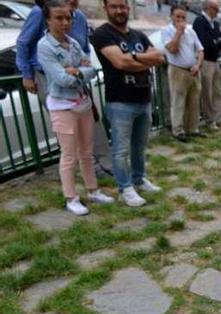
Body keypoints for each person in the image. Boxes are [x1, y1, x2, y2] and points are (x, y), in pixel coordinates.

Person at [37, 0, 115, 215]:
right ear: (48, 20)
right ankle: (71, 197)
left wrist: (77, 71)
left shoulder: (72, 42)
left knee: (87, 152)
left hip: (82, 103)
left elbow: (92, 69)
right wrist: (78, 72)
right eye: (59, 18)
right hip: (62, 106)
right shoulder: (45, 46)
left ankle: (93, 190)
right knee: (69, 155)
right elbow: (62, 79)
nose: (65, 22)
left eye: (68, 18)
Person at [18, 0, 113, 171]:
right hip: (49, 77)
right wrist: (26, 75)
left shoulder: (80, 17)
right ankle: (89, 167)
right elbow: (23, 43)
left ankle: (106, 163)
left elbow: (85, 48)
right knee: (68, 125)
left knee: (92, 118)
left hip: (78, 75)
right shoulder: (40, 13)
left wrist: (83, 70)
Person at [93, 0, 165, 207]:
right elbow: (119, 62)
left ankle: (139, 179)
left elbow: (159, 57)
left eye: (122, 6)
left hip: (143, 99)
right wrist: (141, 60)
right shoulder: (103, 34)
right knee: (120, 149)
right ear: (105, 8)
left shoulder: (138, 35)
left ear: (128, 7)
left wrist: (132, 57)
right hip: (120, 101)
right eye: (114, 6)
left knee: (139, 146)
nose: (119, 10)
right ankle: (125, 188)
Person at [162, 5, 204, 142]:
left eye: (183, 17)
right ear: (172, 16)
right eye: (178, 16)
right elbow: (172, 49)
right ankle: (178, 130)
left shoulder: (191, 32)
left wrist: (198, 65)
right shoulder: (166, 31)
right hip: (177, 70)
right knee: (178, 101)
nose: (180, 19)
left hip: (193, 70)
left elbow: (200, 50)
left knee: (194, 101)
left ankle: (193, 128)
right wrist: (178, 33)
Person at [192, 0, 221, 130]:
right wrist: (216, 42)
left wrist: (216, 41)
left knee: (217, 91)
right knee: (207, 92)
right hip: (205, 61)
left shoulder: (215, 24)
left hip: (215, 60)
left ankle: (219, 118)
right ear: (208, 8)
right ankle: (210, 120)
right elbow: (205, 42)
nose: (217, 12)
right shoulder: (200, 21)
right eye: (216, 9)